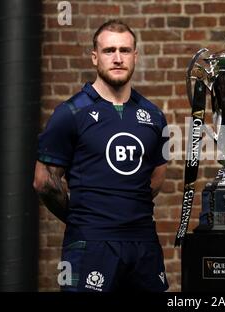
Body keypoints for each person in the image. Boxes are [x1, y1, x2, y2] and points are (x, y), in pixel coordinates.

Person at [33, 20, 169, 292]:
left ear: (135, 56)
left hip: (143, 243)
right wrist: (84, 217)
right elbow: (44, 183)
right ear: (95, 57)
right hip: (89, 244)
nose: (117, 58)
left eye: (125, 50)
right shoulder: (70, 113)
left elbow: (155, 177)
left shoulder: (154, 116)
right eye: (109, 51)